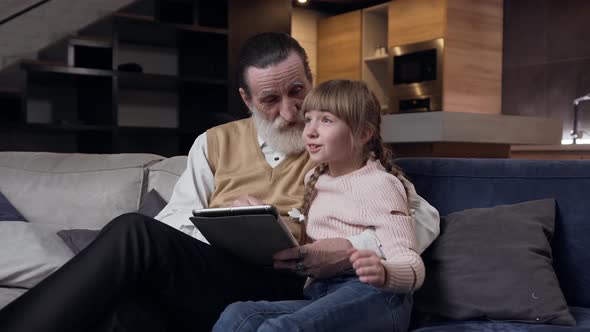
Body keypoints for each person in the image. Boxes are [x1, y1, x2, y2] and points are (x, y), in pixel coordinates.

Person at [0, 32, 438, 332]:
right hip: (213, 277)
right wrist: (224, 219)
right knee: (126, 313)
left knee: (132, 230)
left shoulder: (334, 141)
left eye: (298, 92)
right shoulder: (213, 143)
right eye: (270, 99)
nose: (289, 113)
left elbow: (417, 213)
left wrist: (353, 250)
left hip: (289, 283)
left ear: (311, 80)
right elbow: (172, 223)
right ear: (247, 100)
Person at [212, 79, 423, 332]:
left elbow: (413, 265)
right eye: (308, 118)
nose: (310, 130)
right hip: (322, 293)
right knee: (239, 316)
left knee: (280, 328)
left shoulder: (380, 184)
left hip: (377, 295)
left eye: (326, 120)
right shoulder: (315, 178)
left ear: (364, 133)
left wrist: (385, 272)